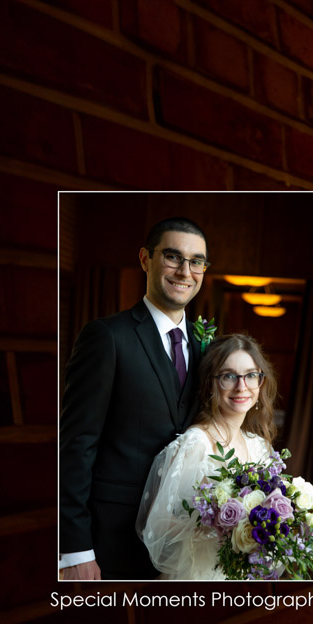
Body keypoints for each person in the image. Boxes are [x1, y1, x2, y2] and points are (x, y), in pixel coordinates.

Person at [58, 217, 209, 580]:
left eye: (196, 261)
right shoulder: (107, 337)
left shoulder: (209, 347)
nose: (184, 271)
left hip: (187, 541)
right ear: (145, 259)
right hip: (113, 539)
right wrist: (74, 548)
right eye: (172, 257)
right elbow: (75, 444)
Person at [137, 334, 280, 580]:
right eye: (228, 376)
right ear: (211, 384)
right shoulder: (197, 443)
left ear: (261, 382)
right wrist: (220, 526)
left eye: (250, 375)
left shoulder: (260, 446)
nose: (241, 386)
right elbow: (157, 523)